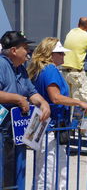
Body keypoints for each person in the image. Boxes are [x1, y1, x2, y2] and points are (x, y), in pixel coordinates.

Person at [27, 37, 87, 190]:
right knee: (49, 170)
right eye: (61, 53)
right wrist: (78, 102)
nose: (64, 56)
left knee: (50, 168)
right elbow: (55, 97)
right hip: (49, 127)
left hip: (47, 125)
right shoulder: (49, 70)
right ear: (51, 54)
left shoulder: (43, 69)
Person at [0, 31, 50, 188]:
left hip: (15, 132)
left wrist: (44, 103)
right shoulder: (1, 65)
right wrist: (18, 99)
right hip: (2, 130)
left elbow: (32, 92)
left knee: (14, 174)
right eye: (25, 47)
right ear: (14, 50)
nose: (28, 51)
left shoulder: (20, 68)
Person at [62, 17, 87, 113]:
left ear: (78, 25)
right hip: (76, 72)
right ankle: (80, 126)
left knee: (67, 101)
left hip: (64, 70)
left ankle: (67, 125)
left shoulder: (71, 32)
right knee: (82, 101)